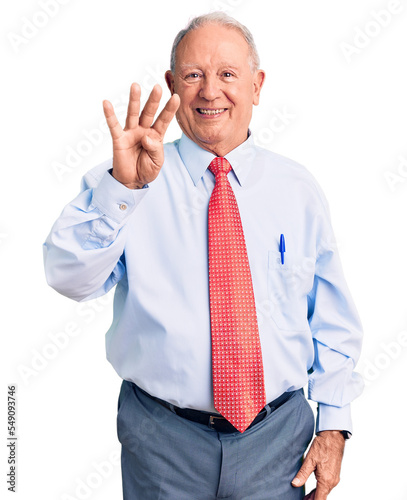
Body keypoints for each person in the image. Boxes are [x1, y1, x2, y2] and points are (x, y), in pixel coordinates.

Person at [43, 12, 364, 500]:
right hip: (162, 441)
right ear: (172, 85)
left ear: (257, 86)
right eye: (193, 75)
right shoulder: (131, 179)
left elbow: (332, 318)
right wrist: (120, 190)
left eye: (228, 74)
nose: (210, 92)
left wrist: (334, 424)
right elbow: (68, 277)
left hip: (278, 441)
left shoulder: (296, 189)